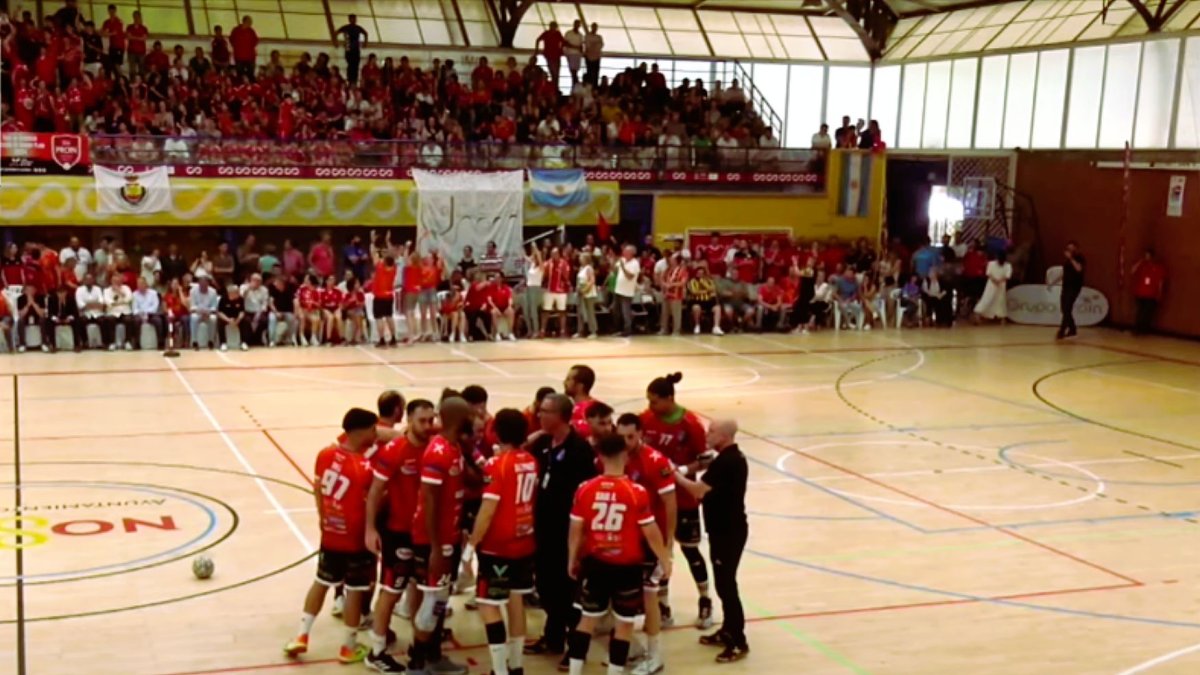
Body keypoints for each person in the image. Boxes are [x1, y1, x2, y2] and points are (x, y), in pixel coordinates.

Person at [565, 433, 673, 675]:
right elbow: (651, 531)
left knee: (586, 621)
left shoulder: (585, 489)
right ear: (625, 455)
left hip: (595, 564)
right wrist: (665, 559)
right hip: (627, 567)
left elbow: (576, 531)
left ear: (600, 456)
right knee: (624, 626)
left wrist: (572, 558)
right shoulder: (636, 491)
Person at [284, 407, 380, 664]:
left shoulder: (324, 454)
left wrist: (322, 517)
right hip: (356, 539)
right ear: (362, 431)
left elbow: (317, 488)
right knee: (355, 590)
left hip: (330, 534)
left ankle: (302, 635)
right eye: (373, 429)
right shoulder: (364, 467)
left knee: (321, 582)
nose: (375, 434)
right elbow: (375, 499)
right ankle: (348, 647)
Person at [363, 399, 436, 672]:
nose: (428, 426)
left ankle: (419, 644)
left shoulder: (434, 446)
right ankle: (377, 650)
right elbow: (374, 492)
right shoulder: (395, 450)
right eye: (422, 421)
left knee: (420, 586)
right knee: (391, 590)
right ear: (409, 420)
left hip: (425, 534)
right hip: (398, 532)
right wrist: (370, 529)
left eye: (431, 420)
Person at [525, 394, 597, 661]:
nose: (539, 415)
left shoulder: (580, 450)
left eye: (545, 412)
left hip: (567, 532)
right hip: (543, 528)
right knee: (544, 585)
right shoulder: (543, 443)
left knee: (566, 590)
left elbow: (586, 495)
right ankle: (553, 637)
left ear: (561, 416)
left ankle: (575, 646)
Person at [641, 372, 713, 629]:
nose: (650, 407)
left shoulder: (690, 424)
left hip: (683, 498)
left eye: (655, 402)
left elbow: (706, 459)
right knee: (660, 552)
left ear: (669, 398)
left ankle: (705, 601)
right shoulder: (645, 419)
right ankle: (663, 606)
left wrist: (681, 470)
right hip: (656, 500)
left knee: (690, 549)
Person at [468, 409, 538, 675]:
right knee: (516, 601)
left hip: (498, 545)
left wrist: (473, 541)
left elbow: (488, 509)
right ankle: (516, 665)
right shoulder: (530, 460)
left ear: (496, 432)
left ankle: (499, 670)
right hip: (525, 540)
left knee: (488, 604)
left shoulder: (497, 465)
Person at [674, 419, 750, 663]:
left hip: (728, 532)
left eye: (712, 431)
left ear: (725, 436)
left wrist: (674, 475)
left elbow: (698, 490)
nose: (707, 434)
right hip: (724, 530)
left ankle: (738, 640)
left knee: (727, 586)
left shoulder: (726, 462)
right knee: (723, 583)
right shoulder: (729, 458)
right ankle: (728, 629)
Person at [407, 397, 473, 675]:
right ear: (458, 418)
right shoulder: (437, 453)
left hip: (449, 538)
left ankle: (433, 657)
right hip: (433, 541)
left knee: (441, 599)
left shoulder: (454, 446)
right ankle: (417, 662)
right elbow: (430, 502)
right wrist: (435, 548)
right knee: (434, 600)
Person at [615, 413, 678, 675]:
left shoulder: (655, 461)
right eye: (622, 437)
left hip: (651, 540)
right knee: (626, 594)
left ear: (641, 433)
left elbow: (670, 502)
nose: (626, 441)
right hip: (626, 540)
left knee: (650, 596)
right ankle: (634, 647)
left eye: (631, 436)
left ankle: (655, 655)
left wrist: (669, 542)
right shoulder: (614, 457)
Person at [1131, 249, 1166, 335]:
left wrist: (1159, 293)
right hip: (1141, 292)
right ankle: (1137, 329)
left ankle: (1144, 329)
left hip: (1151, 293)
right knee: (1140, 311)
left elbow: (1161, 281)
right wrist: (1140, 261)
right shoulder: (1142, 266)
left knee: (1148, 312)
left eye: (1148, 256)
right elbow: (1132, 271)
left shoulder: (1158, 267)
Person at [564, 364, 602, 438]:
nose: (565, 382)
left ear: (580, 386)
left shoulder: (581, 411)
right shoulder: (599, 406)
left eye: (568, 379)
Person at [973, 251, 1012, 324]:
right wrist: (996, 280)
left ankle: (1001, 317)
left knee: (1000, 300)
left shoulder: (1007, 265)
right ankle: (978, 313)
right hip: (992, 284)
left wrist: (999, 281)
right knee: (987, 298)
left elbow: (1007, 276)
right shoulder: (991, 264)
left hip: (1001, 285)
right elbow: (989, 273)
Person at [1057, 241, 1085, 340]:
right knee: (1064, 308)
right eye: (1068, 248)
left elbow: (1079, 269)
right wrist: (1053, 282)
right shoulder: (1067, 261)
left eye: (1071, 248)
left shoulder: (1079, 258)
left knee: (1067, 308)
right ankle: (1072, 329)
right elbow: (1064, 273)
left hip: (1074, 287)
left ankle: (1062, 330)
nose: (1069, 250)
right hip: (1066, 286)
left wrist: (1071, 259)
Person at [613, 245, 640, 337]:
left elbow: (630, 276)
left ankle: (627, 330)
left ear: (631, 253)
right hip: (618, 290)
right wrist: (613, 262)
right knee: (616, 311)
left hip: (627, 292)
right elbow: (615, 270)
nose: (624, 253)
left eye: (626, 251)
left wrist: (623, 267)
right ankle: (618, 329)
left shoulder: (635, 263)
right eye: (624, 251)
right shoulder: (622, 260)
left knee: (626, 312)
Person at [336, 14, 368, 86]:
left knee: (355, 66)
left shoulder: (357, 28)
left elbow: (365, 33)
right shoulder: (346, 27)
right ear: (349, 19)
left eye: (354, 19)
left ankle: (354, 81)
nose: (353, 20)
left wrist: (365, 43)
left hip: (355, 49)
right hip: (349, 48)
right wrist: (336, 43)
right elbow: (336, 33)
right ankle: (350, 80)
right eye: (351, 19)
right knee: (350, 65)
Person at [217, 284, 249, 351]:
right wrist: (228, 320)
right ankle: (223, 343)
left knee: (245, 321)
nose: (238, 293)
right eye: (236, 292)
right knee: (220, 323)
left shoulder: (240, 299)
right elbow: (219, 312)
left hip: (236, 317)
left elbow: (242, 312)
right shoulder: (223, 299)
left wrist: (238, 320)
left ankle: (243, 342)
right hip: (226, 317)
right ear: (231, 293)